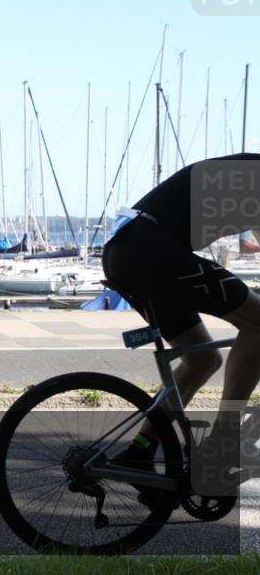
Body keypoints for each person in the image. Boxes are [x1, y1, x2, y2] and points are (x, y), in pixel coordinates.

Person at [103, 153, 260, 492]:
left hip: (130, 250)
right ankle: (224, 442)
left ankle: (139, 452)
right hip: (150, 249)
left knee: (202, 360)